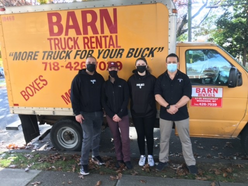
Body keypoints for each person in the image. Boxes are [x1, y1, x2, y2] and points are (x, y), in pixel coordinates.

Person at [154, 53, 197, 174]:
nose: (171, 64)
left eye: (174, 62)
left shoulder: (184, 78)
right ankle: (163, 160)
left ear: (178, 63)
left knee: (185, 139)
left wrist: (176, 106)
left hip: (181, 113)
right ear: (166, 63)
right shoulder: (160, 78)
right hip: (165, 114)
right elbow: (157, 95)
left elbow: (187, 96)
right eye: (169, 62)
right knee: (164, 139)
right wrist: (168, 106)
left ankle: (191, 163)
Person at [70, 56, 105, 176]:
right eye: (88, 63)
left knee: (97, 135)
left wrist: (104, 109)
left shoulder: (100, 78)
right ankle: (84, 163)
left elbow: (103, 95)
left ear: (96, 64)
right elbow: (74, 96)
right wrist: (77, 113)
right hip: (85, 114)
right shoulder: (78, 78)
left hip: (98, 113)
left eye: (93, 63)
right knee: (88, 137)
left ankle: (95, 156)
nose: (91, 64)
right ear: (85, 64)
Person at [102, 61, 133, 169]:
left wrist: (119, 114)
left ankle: (127, 159)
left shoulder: (123, 83)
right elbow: (103, 101)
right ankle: (119, 158)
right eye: (111, 68)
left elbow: (126, 99)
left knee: (125, 138)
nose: (113, 70)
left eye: (115, 68)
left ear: (118, 70)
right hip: (111, 116)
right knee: (116, 138)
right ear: (108, 70)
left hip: (122, 115)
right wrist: (111, 114)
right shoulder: (105, 85)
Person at [127, 57, 156, 167]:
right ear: (136, 66)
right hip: (136, 112)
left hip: (149, 112)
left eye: (142, 64)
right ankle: (142, 155)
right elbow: (128, 95)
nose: (140, 65)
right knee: (140, 134)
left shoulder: (152, 79)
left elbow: (156, 95)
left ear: (146, 65)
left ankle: (150, 156)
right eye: (138, 64)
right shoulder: (131, 80)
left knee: (149, 134)